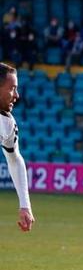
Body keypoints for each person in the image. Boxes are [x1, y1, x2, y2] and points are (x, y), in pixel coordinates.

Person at [0, 63, 33, 232]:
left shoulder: (7, 124)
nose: (17, 95)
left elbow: (15, 160)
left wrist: (25, 205)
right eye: (12, 88)